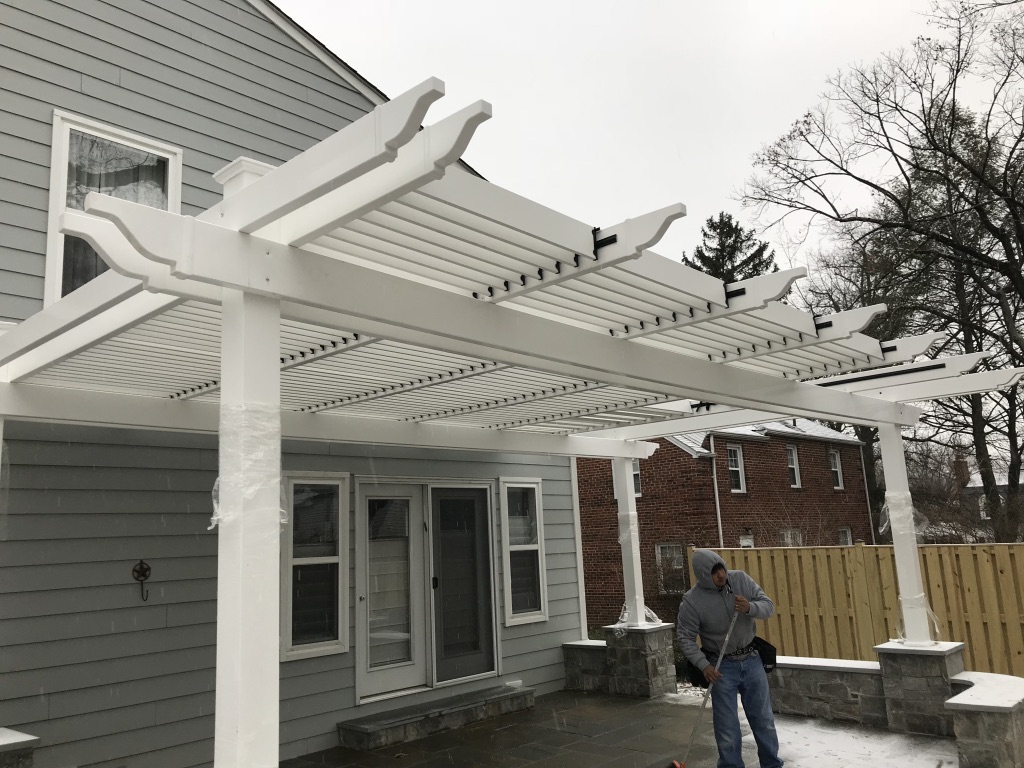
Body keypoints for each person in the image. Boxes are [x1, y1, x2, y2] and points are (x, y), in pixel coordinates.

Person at [676, 549, 783, 768]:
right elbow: (685, 637)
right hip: (721, 667)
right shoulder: (692, 601)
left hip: (752, 659)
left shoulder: (740, 579)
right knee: (727, 728)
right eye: (715, 573)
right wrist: (704, 665)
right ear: (705, 575)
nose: (721, 576)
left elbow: (769, 607)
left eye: (721, 569)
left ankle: (772, 765)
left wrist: (750, 607)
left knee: (763, 720)